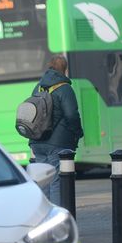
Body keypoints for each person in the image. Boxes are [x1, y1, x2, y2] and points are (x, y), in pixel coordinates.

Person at [29, 55, 83, 204]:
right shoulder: (65, 89)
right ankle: (56, 220)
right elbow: (71, 115)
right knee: (55, 182)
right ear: (64, 69)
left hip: (37, 141)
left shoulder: (38, 86)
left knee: (43, 180)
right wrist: (77, 133)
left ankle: (44, 217)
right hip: (57, 144)